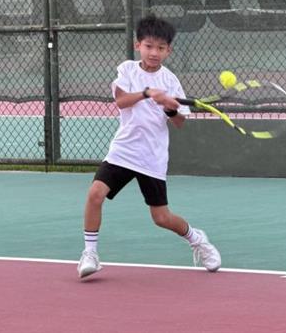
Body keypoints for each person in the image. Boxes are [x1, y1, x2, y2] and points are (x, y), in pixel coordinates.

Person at [77, 14, 221, 278]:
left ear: (169, 51)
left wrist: (169, 108)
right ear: (138, 45)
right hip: (123, 151)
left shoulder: (171, 81)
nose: (154, 52)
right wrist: (147, 93)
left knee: (161, 218)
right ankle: (90, 254)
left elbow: (179, 122)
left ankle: (197, 238)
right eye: (149, 46)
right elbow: (121, 102)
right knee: (95, 194)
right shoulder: (127, 70)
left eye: (161, 48)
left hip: (152, 157)